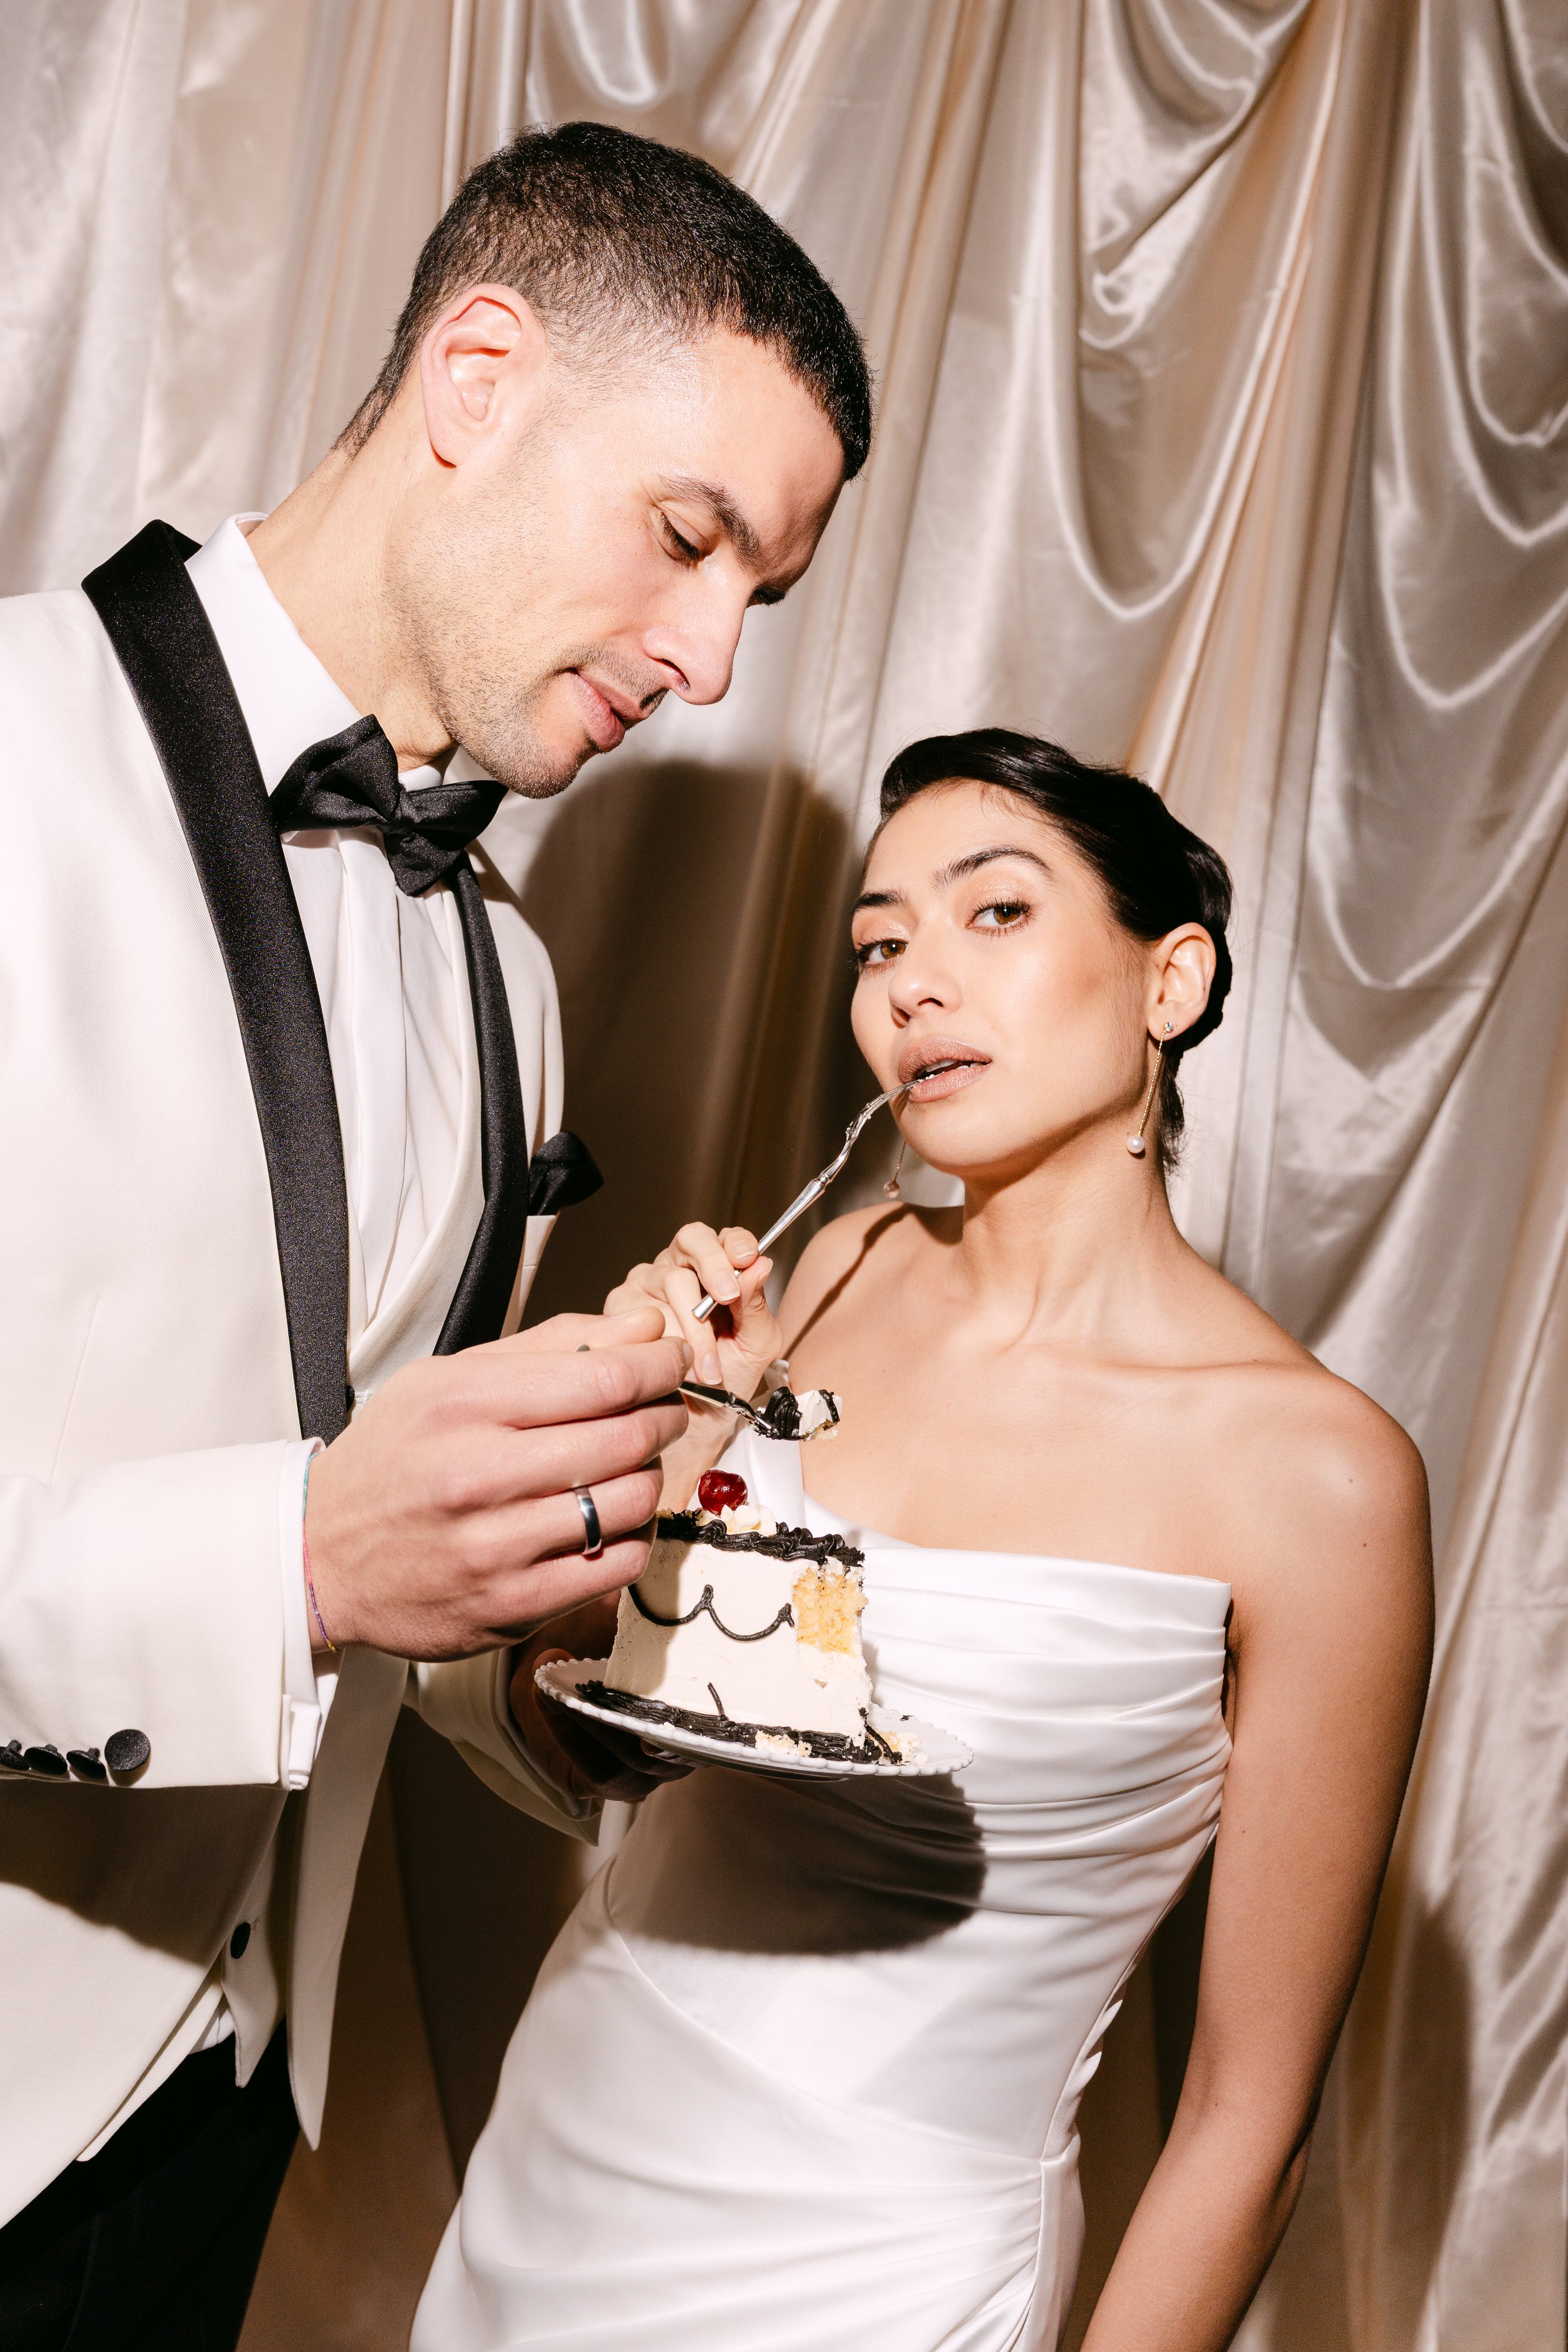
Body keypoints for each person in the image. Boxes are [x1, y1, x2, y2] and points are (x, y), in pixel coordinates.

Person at [0, 121, 870, 2351]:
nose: (707, 662)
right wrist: (293, 1553)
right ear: (475, 380)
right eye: (689, 542)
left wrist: (578, 1646)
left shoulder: (516, 980)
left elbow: (385, 1587)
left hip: (214, 2123)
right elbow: (307, 1545)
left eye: (753, 599)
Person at [416, 729, 1434, 2352]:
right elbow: (593, 1732)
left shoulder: (1317, 1478)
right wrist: (651, 1442)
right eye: (878, 941)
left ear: (1169, 980)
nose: (912, 981)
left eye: (996, 914)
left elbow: (1248, 2118)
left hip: (886, 2263)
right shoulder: (827, 1272)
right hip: (576, 2141)